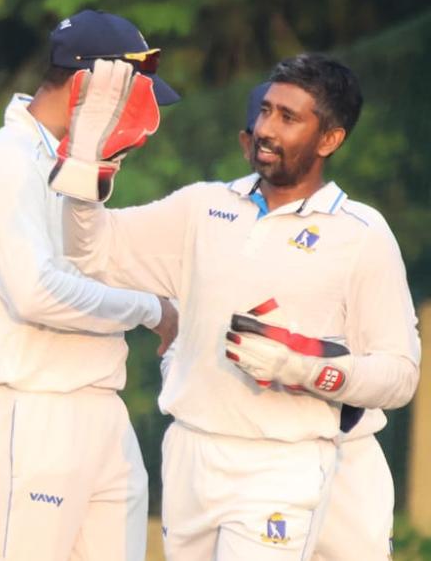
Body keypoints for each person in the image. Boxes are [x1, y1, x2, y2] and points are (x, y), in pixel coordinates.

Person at [54, 53, 420, 560]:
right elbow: (89, 250)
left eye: (288, 118)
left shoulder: (361, 234)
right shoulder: (204, 206)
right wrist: (85, 162)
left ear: (330, 139)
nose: (267, 128)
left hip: (282, 462)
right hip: (190, 452)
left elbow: (399, 376)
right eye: (266, 111)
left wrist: (302, 369)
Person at [0, 9, 181, 561]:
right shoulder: (10, 158)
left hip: (100, 406)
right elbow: (35, 292)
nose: (141, 118)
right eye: (131, 97)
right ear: (87, 84)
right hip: (33, 408)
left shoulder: (74, 164)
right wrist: (149, 309)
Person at [237, 81, 397, 561]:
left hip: (349, 449)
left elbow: (390, 357)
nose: (266, 140)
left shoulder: (358, 229)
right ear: (245, 142)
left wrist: (311, 365)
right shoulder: (214, 222)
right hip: (258, 456)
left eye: (285, 122)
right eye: (258, 128)